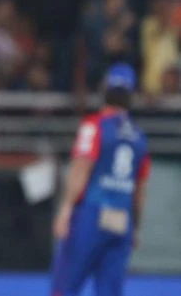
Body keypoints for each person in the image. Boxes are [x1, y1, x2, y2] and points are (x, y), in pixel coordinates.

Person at [50, 63, 150, 296]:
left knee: (65, 287)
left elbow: (81, 169)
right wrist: (135, 228)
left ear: (105, 89)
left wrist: (65, 210)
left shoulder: (93, 126)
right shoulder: (139, 137)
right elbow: (139, 191)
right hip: (122, 219)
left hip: (90, 214)